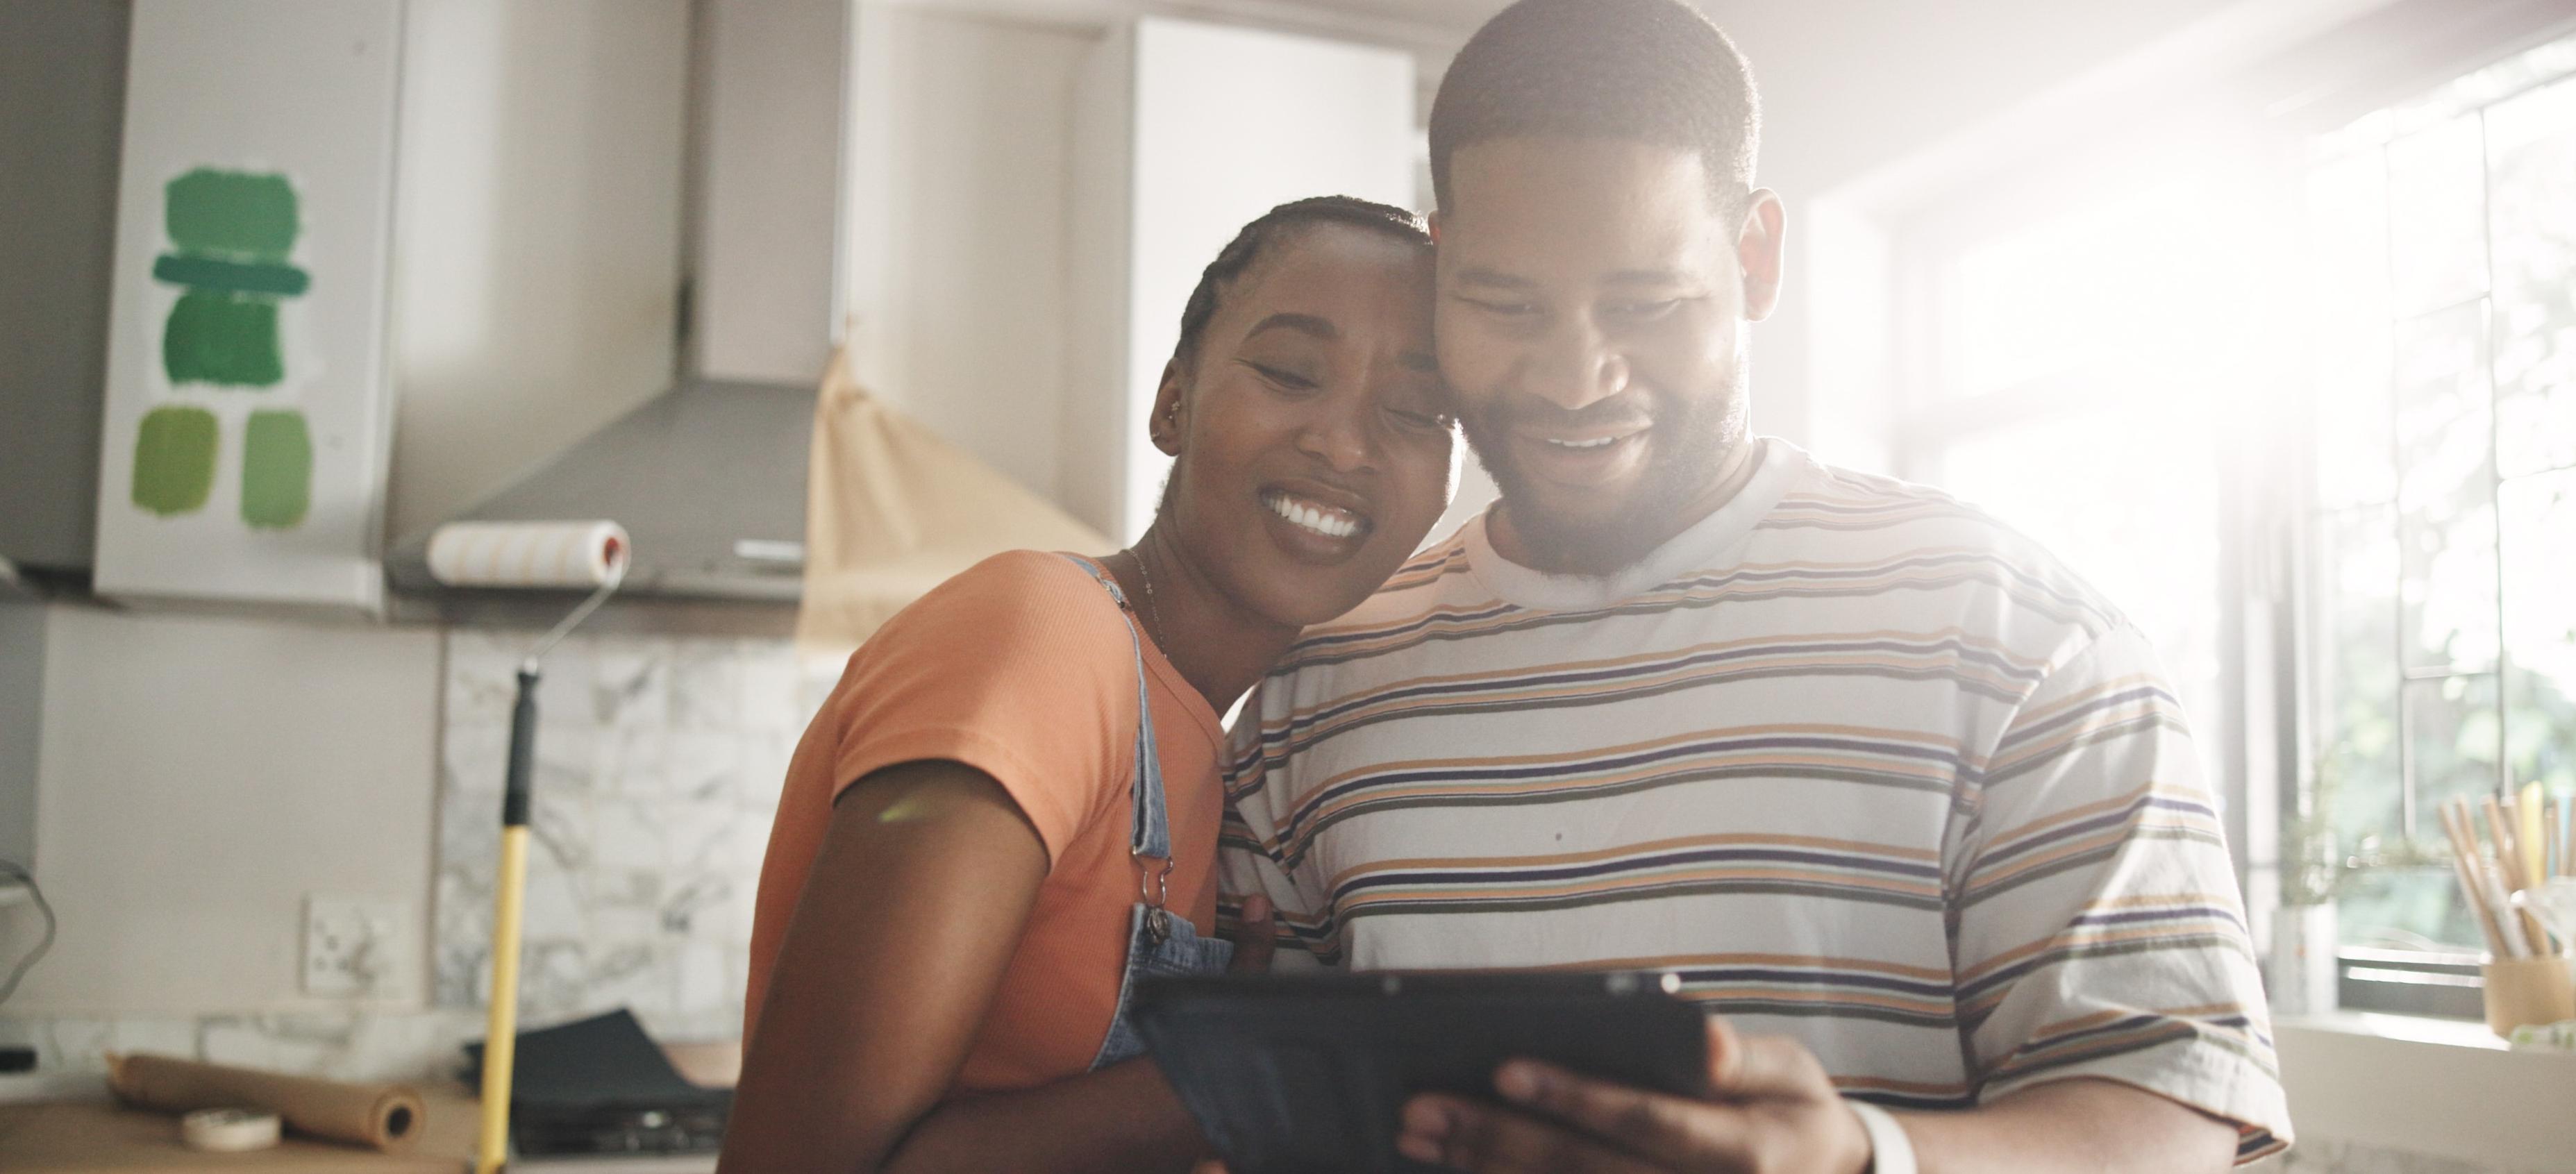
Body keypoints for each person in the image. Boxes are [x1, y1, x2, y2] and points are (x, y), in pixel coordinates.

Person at [1216, 3, 2293, 1171]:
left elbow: (2171, 1120)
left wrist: (1860, 1158)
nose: (1578, 379)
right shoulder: (1318, 684)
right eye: (1506, 304)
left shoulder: (2023, 641)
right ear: (1442, 262)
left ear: (1756, 258)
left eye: (1645, 305)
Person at [722, 196, 1459, 1174]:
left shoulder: (1220, 757)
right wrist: (1239, 1075)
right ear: (1173, 403)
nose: (1344, 443)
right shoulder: (1041, 637)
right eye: (1289, 373)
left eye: (1414, 412)